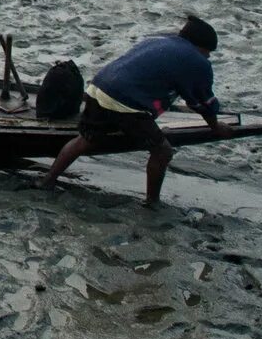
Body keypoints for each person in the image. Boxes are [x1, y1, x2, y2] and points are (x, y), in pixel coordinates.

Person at [34, 15, 223, 205]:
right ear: (199, 46)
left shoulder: (158, 41)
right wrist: (216, 128)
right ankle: (152, 202)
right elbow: (203, 103)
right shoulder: (196, 62)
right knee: (162, 151)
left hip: (97, 89)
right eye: (208, 52)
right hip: (124, 101)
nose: (208, 57)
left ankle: (48, 181)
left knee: (86, 140)